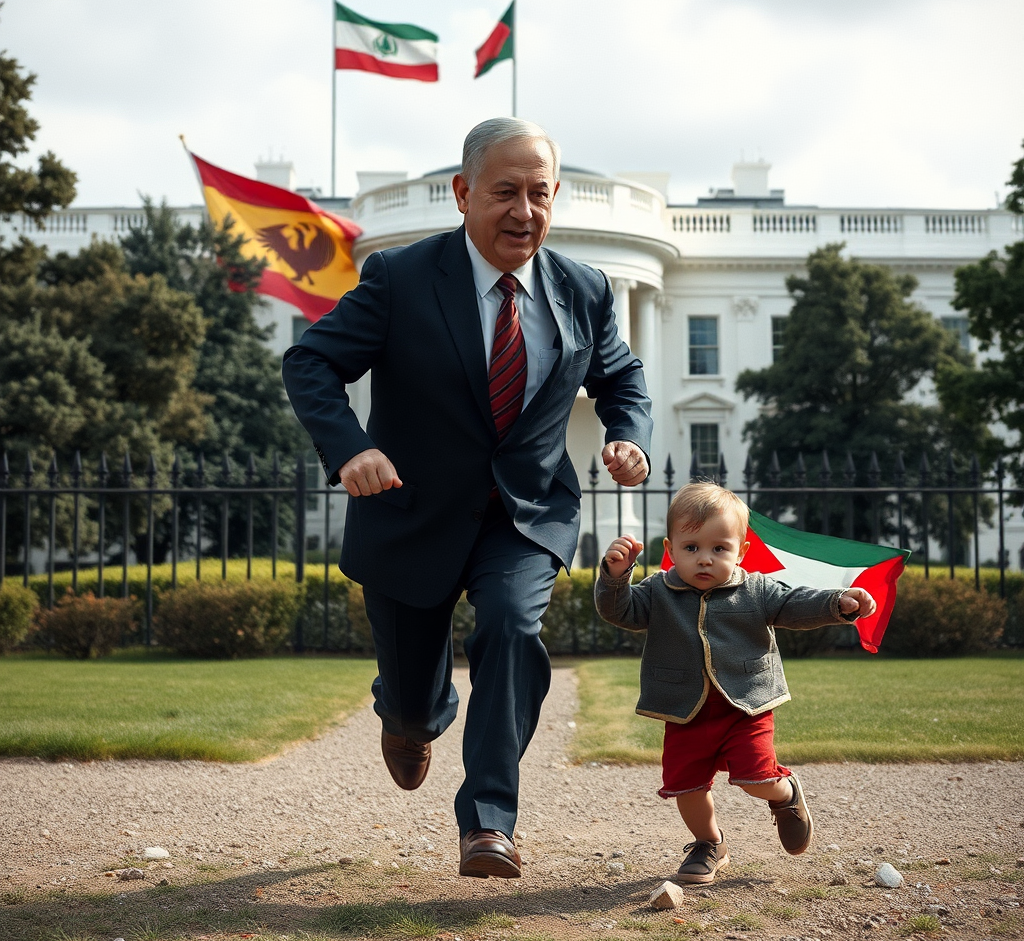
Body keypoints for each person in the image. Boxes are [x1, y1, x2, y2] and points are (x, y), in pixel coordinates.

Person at [282, 117, 653, 879]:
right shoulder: (401, 279)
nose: (524, 212)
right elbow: (311, 364)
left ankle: (489, 822)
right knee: (416, 701)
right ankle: (412, 716)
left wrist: (629, 434)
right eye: (506, 192)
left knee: (513, 631)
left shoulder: (583, 289)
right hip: (409, 513)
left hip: (523, 516)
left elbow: (620, 376)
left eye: (540, 194)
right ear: (462, 194)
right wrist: (351, 448)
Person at [594, 482, 876, 884]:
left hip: (746, 704)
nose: (704, 559)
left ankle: (786, 794)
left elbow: (796, 603)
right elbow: (618, 611)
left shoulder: (756, 589)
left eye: (719, 549)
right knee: (685, 785)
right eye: (691, 548)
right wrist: (615, 577)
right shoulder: (658, 591)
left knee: (755, 777)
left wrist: (837, 603)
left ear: (740, 551)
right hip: (685, 709)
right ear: (671, 549)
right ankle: (710, 844)